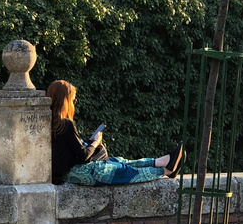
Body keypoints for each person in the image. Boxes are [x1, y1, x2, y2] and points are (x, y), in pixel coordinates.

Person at [47, 79, 185, 187]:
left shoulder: (48, 123)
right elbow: (83, 156)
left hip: (67, 173)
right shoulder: (66, 124)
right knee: (121, 170)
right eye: (73, 100)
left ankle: (163, 161)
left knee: (118, 161)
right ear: (66, 101)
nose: (74, 103)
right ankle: (166, 170)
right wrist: (95, 142)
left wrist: (89, 143)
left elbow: (68, 151)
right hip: (77, 172)